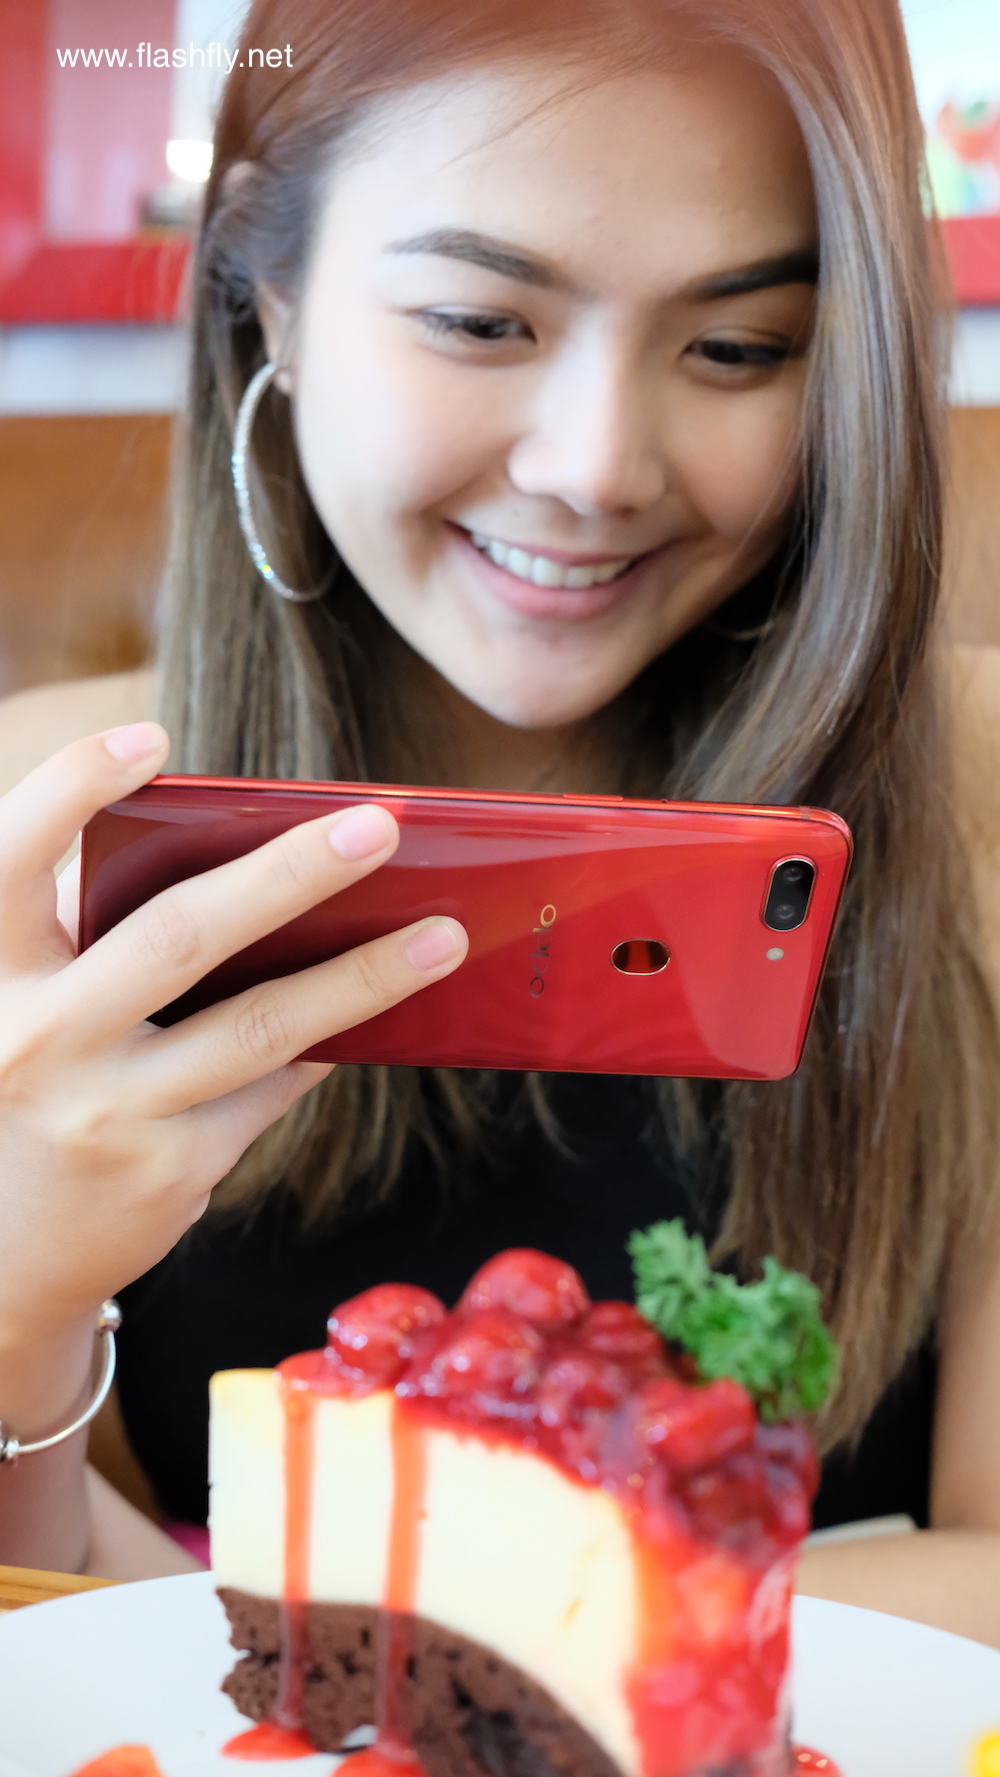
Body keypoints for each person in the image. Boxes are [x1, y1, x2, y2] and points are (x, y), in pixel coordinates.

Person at [2, 0, 1000, 1646]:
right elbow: (54, 1627)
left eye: (739, 346)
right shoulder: (41, 837)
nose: (597, 467)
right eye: (479, 320)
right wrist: (15, 1310)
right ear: (273, 298)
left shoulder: (973, 808)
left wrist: (371, 1652)